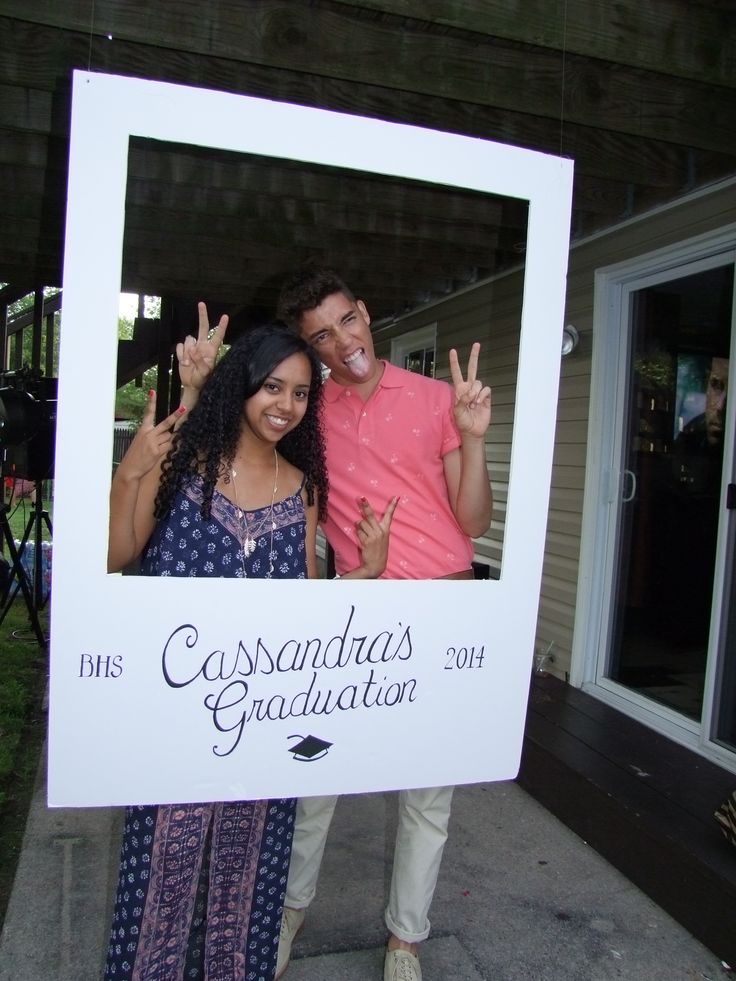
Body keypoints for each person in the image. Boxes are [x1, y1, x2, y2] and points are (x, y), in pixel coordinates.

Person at [104, 307, 396, 981]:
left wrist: (364, 576)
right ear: (243, 383)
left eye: (300, 393)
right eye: (273, 387)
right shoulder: (178, 461)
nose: (286, 405)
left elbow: (308, 620)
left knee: (247, 881)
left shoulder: (303, 491)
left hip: (263, 733)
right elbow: (114, 553)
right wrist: (128, 475)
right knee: (160, 878)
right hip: (172, 723)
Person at [275, 267, 493, 981]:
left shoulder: (436, 400)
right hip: (355, 611)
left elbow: (474, 521)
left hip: (441, 605)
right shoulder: (307, 414)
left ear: (366, 313)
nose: (342, 343)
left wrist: (472, 436)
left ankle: (405, 940)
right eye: (321, 337)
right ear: (310, 348)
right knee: (315, 776)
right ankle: (287, 913)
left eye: (347, 322)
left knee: (428, 795)